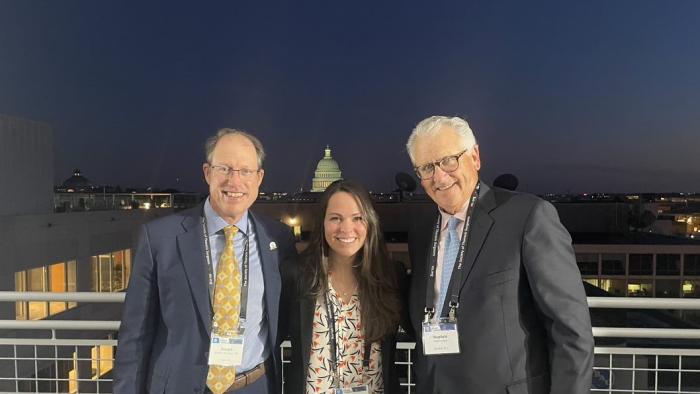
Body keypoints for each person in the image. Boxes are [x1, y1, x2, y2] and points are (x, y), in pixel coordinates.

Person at [405, 116, 594, 394]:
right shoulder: (421, 233)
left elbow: (571, 331)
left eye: (448, 160)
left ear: (475, 157)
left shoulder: (528, 217)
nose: (439, 176)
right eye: (427, 167)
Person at [114, 129, 297, 394]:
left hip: (256, 386)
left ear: (259, 178)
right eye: (225, 168)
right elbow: (135, 335)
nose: (234, 181)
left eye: (245, 171)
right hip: (180, 386)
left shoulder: (279, 239)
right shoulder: (160, 239)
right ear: (207, 172)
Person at [281, 180, 409, 394]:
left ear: (370, 223)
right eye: (335, 218)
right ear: (322, 223)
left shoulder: (391, 277)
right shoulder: (297, 274)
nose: (346, 228)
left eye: (357, 218)